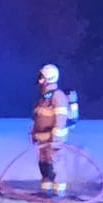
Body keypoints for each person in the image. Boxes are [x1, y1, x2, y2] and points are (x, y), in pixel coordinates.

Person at [32, 63, 79, 196]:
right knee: (44, 164)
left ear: (48, 77)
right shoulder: (45, 97)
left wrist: (56, 138)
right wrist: (35, 134)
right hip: (43, 137)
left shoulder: (58, 96)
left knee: (56, 164)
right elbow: (39, 117)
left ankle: (59, 192)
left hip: (53, 139)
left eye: (42, 76)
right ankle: (45, 190)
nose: (39, 79)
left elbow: (61, 120)